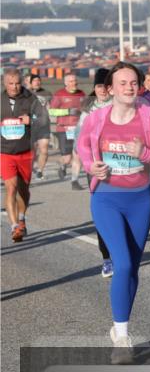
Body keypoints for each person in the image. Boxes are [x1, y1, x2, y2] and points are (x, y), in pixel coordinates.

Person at [77, 62, 150, 364]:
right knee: (120, 262)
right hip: (106, 197)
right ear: (111, 87)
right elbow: (82, 147)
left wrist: (143, 154)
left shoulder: (149, 115)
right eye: (123, 83)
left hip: (140, 199)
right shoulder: (97, 118)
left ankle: (120, 327)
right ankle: (121, 336)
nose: (129, 87)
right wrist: (91, 166)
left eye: (134, 82)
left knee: (132, 265)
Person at [75, 67, 114, 276]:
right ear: (94, 88)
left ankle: (121, 252)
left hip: (120, 165)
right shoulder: (88, 110)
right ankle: (107, 257)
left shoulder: (122, 106)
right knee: (101, 213)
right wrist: (86, 161)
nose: (103, 90)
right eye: (99, 86)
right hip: (96, 168)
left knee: (121, 211)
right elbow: (79, 140)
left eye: (106, 85)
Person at [2, 69, 47, 242]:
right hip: (5, 152)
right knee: (11, 188)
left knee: (24, 191)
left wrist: (32, 120)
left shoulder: (30, 98)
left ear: (22, 82)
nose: (14, 87)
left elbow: (43, 119)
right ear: (5, 83)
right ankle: (14, 227)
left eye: (17, 83)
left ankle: (21, 217)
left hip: (26, 151)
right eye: (11, 83)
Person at [49, 73, 86, 182]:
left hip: (78, 129)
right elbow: (51, 111)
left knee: (78, 155)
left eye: (75, 80)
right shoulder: (59, 94)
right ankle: (62, 165)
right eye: (70, 81)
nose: (74, 83)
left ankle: (74, 181)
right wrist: (68, 111)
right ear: (65, 83)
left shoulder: (81, 94)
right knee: (67, 158)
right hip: (64, 129)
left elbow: (86, 108)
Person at [26, 74, 52, 178]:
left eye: (39, 80)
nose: (37, 82)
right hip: (31, 127)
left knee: (44, 149)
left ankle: (40, 171)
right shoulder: (25, 94)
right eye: (35, 81)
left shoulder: (47, 93)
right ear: (30, 82)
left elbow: (52, 107)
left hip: (44, 126)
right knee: (32, 152)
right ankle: (30, 170)